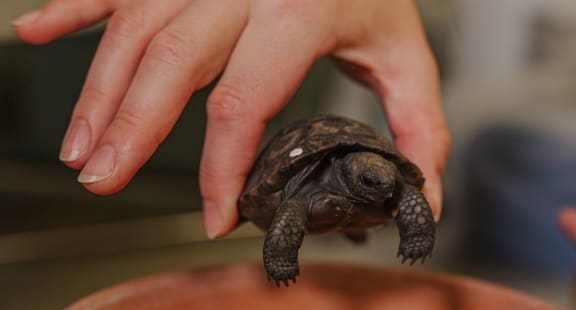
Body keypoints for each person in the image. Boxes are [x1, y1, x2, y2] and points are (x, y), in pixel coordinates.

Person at [12, 0, 449, 238]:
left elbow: (401, 190)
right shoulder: (306, 188)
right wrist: (282, 252)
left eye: (386, 181)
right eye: (377, 182)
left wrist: (416, 231)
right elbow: (292, 204)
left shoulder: (387, 178)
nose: (390, 185)